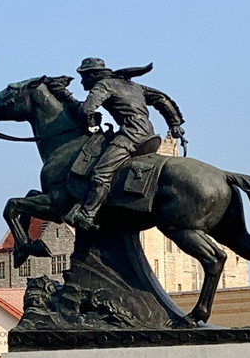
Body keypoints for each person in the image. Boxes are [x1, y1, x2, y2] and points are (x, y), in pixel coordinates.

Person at [63, 58, 186, 231]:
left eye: (83, 77)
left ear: (93, 75)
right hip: (148, 131)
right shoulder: (133, 86)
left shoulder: (104, 85)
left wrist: (89, 122)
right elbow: (161, 98)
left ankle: (88, 214)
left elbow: (87, 109)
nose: (82, 81)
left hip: (131, 133)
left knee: (101, 171)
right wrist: (175, 123)